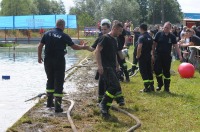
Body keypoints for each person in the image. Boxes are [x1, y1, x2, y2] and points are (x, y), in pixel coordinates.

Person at [38, 19, 88, 113]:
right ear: (63, 26)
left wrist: (39, 57)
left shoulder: (47, 34)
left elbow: (39, 46)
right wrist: (83, 47)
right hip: (59, 61)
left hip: (47, 60)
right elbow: (74, 47)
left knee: (50, 80)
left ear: (56, 25)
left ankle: (49, 103)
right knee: (59, 82)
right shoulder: (64, 36)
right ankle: (57, 107)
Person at [95, 21, 124, 118]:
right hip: (105, 67)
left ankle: (105, 111)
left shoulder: (114, 40)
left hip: (112, 66)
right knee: (115, 86)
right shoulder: (105, 38)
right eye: (119, 31)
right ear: (114, 29)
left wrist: (117, 65)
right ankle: (103, 104)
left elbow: (114, 54)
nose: (120, 33)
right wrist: (99, 66)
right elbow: (97, 51)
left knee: (110, 88)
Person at [152, 22, 183, 93]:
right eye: (165, 27)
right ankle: (160, 83)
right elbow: (154, 44)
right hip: (158, 55)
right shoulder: (158, 34)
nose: (165, 29)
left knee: (166, 72)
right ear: (163, 27)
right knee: (157, 70)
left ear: (170, 29)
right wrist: (152, 54)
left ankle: (166, 88)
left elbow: (176, 46)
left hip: (167, 56)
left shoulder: (172, 36)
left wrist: (180, 55)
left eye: (167, 28)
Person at [87, 19, 111, 103]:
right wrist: (85, 47)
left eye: (105, 29)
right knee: (102, 82)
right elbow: (92, 49)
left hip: (112, 64)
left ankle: (108, 100)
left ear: (109, 29)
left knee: (111, 83)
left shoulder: (113, 38)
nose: (103, 31)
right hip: (103, 63)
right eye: (102, 29)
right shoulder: (101, 38)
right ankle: (101, 101)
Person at [136, 23, 154, 92]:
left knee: (143, 71)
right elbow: (152, 47)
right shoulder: (150, 37)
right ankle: (152, 86)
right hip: (148, 56)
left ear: (141, 29)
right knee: (149, 71)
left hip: (142, 57)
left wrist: (138, 55)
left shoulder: (141, 37)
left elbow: (139, 47)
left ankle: (147, 88)